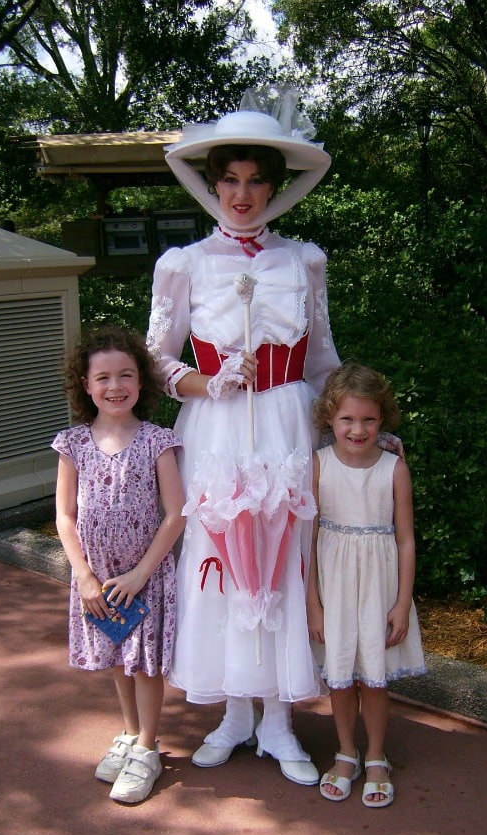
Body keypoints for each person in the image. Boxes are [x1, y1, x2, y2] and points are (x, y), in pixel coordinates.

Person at [145, 86, 340, 785]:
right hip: (217, 428)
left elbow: (323, 361)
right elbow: (157, 362)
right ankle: (233, 713)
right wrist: (209, 382)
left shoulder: (302, 261)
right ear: (215, 183)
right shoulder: (183, 264)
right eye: (230, 179)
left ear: (274, 186)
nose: (243, 193)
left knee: (285, 560)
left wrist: (350, 439)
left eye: (257, 180)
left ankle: (281, 721)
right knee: (222, 561)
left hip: (287, 423)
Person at [52, 326, 185, 804]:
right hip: (98, 578)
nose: (115, 386)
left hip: (142, 576)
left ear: (141, 382)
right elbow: (65, 517)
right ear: (85, 385)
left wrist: (140, 574)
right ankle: (130, 734)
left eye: (126, 375)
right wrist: (84, 575)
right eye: (103, 377)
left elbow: (175, 514)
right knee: (117, 660)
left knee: (145, 664)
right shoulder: (72, 443)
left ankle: (148, 748)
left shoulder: (158, 441)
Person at [306, 362, 426, 807]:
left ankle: (377, 755)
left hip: (379, 586)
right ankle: (346, 752)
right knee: (340, 676)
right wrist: (312, 603)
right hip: (333, 586)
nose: (358, 429)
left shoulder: (394, 468)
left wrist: (402, 602)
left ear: (382, 418)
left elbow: (406, 539)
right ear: (329, 420)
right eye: (347, 420)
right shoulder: (317, 465)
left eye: (368, 419)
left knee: (374, 679)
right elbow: (310, 536)